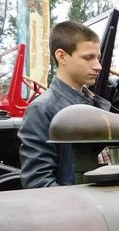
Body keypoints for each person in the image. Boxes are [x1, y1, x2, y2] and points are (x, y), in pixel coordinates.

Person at [18, 20, 110, 188]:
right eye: (88, 57)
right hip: (77, 202)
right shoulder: (42, 109)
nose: (98, 66)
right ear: (61, 56)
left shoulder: (95, 104)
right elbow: (38, 183)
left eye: (98, 58)